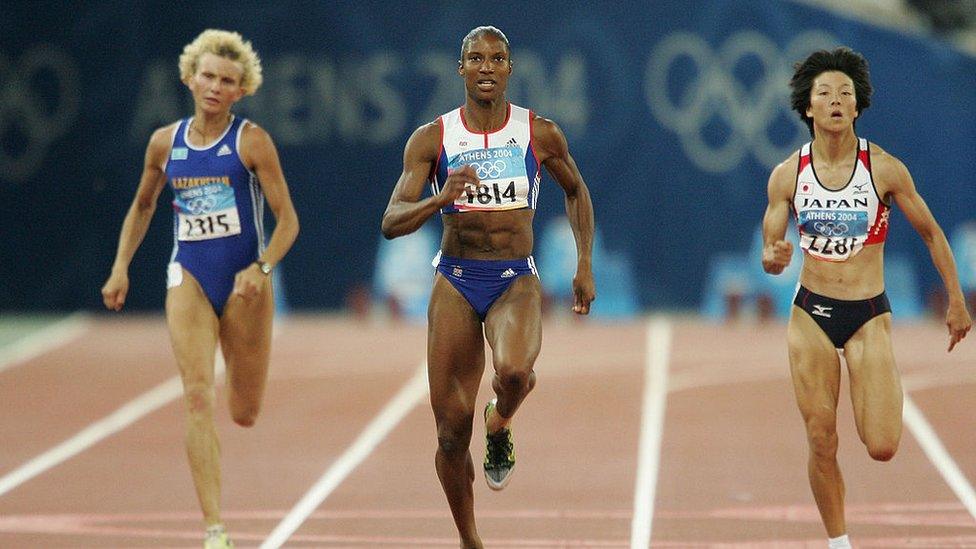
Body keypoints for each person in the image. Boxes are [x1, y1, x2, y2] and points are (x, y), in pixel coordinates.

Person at [381, 25, 595, 549]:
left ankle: (499, 424)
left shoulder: (539, 133)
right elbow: (391, 220)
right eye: (474, 59)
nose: (485, 67)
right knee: (450, 435)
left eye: (496, 59)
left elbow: (576, 191)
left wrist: (584, 263)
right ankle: (470, 540)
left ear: (508, 69)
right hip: (455, 278)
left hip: (513, 277)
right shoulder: (432, 139)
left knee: (516, 372)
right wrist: (440, 199)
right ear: (460, 69)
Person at [761, 47, 971, 549]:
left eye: (845, 94)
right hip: (810, 311)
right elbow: (771, 243)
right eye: (825, 94)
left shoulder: (884, 169)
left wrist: (956, 299)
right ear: (808, 108)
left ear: (857, 108)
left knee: (881, 445)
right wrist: (773, 257)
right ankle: (839, 543)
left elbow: (932, 233)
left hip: (867, 313)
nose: (836, 101)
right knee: (821, 438)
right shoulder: (788, 174)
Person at [101, 29, 299, 549]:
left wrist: (261, 268)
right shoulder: (165, 143)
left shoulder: (251, 142)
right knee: (195, 395)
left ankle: (241, 384)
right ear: (190, 78)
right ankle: (215, 528)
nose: (215, 86)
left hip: (244, 286)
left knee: (243, 412)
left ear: (241, 90)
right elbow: (144, 206)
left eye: (227, 80)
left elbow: (288, 222)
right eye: (208, 76)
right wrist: (121, 265)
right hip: (188, 274)